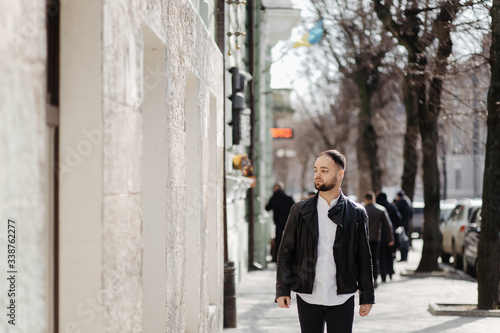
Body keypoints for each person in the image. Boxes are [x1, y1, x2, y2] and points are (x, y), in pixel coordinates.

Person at [276, 150, 374, 333]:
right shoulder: (299, 211)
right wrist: (283, 290)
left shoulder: (356, 213)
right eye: (316, 170)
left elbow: (363, 257)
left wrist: (367, 296)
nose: (318, 175)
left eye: (324, 170)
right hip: (308, 297)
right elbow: (285, 252)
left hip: (342, 297)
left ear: (340, 174)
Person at [363, 192, 394, 287]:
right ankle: (375, 278)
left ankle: (364, 279)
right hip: (376, 237)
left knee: (364, 259)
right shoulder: (380, 210)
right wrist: (390, 238)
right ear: (373, 199)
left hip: (363, 238)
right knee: (375, 258)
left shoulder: (361, 209)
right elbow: (388, 226)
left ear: (365, 199)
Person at [266, 181, 295, 262]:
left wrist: (265, 205)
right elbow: (294, 208)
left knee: (278, 240)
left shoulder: (273, 198)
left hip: (277, 222)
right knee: (289, 239)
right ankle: (289, 257)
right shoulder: (288, 197)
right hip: (288, 222)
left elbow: (267, 208)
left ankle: (278, 257)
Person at [376, 192, 402, 282]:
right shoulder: (391, 207)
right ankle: (390, 273)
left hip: (378, 236)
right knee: (390, 255)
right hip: (390, 235)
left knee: (381, 256)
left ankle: (383, 275)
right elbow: (399, 219)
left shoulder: (377, 208)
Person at [395, 191, 413, 261]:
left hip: (402, 225)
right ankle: (405, 256)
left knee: (402, 241)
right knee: (405, 240)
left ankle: (403, 256)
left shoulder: (401, 203)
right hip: (406, 224)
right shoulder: (407, 202)